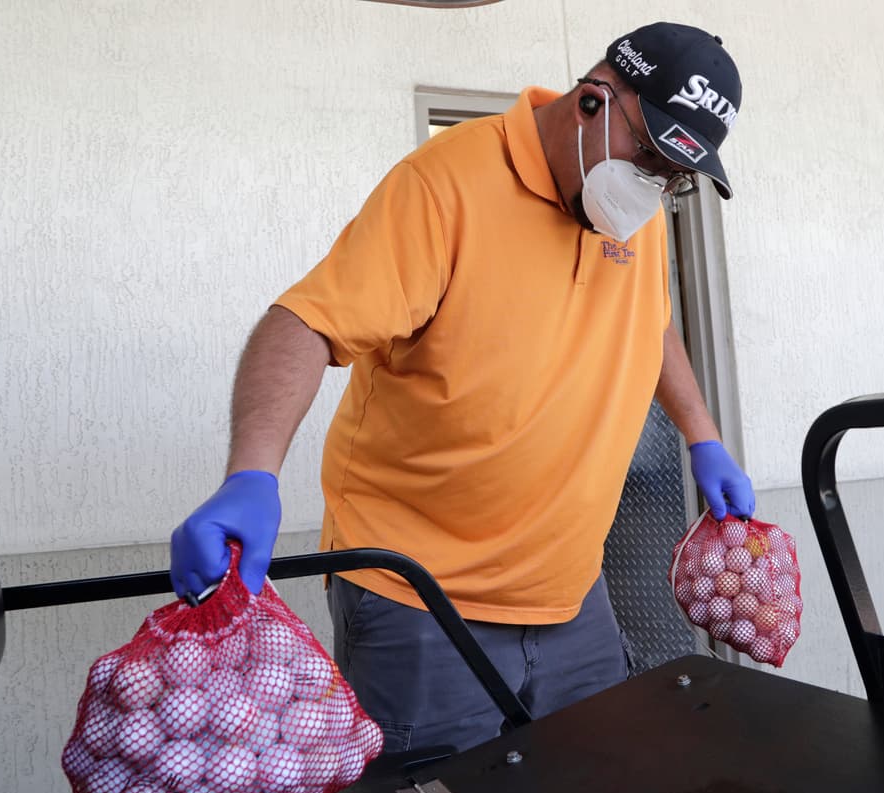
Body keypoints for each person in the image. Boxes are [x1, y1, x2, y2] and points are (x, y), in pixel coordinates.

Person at [169, 21, 754, 755]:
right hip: (420, 599)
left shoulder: (627, 211)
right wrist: (250, 472)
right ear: (594, 101)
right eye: (649, 154)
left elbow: (652, 320)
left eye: (675, 174)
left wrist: (702, 435)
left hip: (574, 591)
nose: (652, 187)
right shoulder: (445, 183)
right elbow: (306, 323)